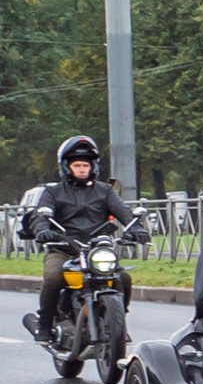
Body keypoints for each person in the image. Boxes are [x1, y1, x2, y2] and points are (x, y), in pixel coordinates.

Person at [19, 136, 135, 342]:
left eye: (85, 165)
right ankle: (44, 325)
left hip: (96, 249)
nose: (82, 169)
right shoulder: (52, 192)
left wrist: (137, 228)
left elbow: (124, 212)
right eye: (77, 165)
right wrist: (43, 230)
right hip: (63, 248)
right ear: (66, 167)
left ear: (93, 167)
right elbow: (40, 215)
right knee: (54, 276)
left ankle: (117, 323)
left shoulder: (105, 191)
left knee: (123, 278)